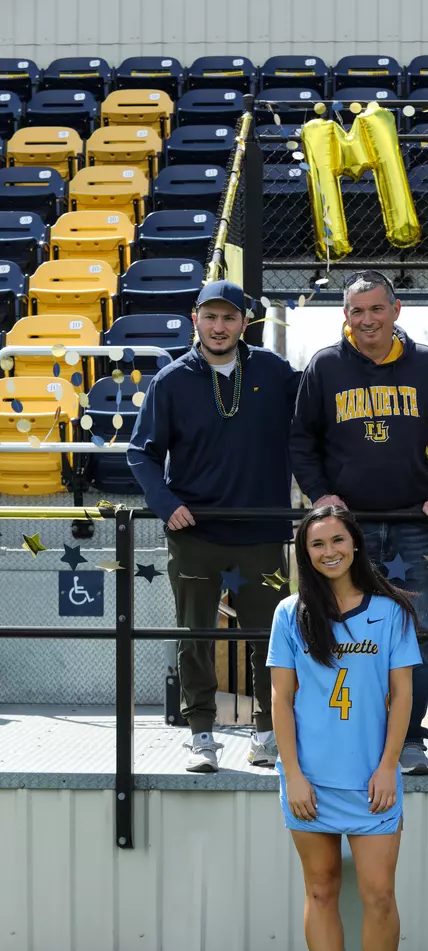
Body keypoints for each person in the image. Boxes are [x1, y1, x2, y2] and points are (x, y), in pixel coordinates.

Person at [290, 269, 428, 777]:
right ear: (345, 316)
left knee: (414, 637)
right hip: (349, 531)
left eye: (376, 308)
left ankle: (410, 739)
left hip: (413, 525)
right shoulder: (324, 366)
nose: (367, 320)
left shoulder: (426, 363)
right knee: (343, 638)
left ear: (396, 309)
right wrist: (322, 497)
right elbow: (301, 442)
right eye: (357, 311)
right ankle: (352, 736)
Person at [127, 280, 301, 773]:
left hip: (261, 534)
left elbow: (316, 418)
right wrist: (165, 502)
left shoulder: (274, 371)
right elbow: (141, 452)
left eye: (229, 317)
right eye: (211, 317)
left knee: (270, 638)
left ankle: (266, 734)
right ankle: (201, 734)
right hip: (195, 533)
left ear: (245, 322)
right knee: (195, 636)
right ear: (195, 318)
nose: (219, 327)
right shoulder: (172, 379)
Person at [267, 505, 421, 951]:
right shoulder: (290, 613)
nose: (328, 551)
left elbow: (401, 697)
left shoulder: (391, 612)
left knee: (378, 892)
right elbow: (281, 701)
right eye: (316, 544)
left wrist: (387, 767)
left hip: (372, 780)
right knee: (321, 888)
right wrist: (293, 774)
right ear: (304, 553)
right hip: (310, 780)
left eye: (337, 540)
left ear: (355, 543)